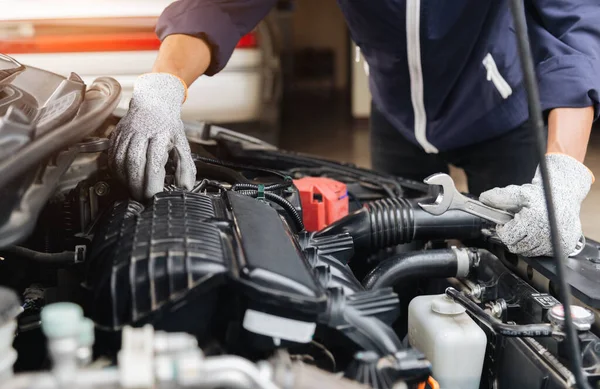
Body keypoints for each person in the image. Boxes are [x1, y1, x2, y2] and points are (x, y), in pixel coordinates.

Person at [109, 0, 600, 258]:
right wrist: (164, 84)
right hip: (397, 118)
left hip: (500, 110)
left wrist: (560, 173)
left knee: (522, 252)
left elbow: (575, 25)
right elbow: (216, 6)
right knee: (398, 251)